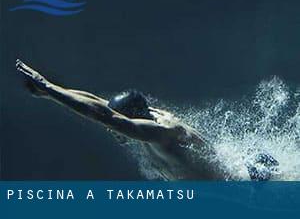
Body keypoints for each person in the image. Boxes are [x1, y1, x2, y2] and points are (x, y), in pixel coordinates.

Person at [15, 59, 277, 180]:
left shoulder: (161, 133)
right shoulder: (146, 118)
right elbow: (99, 105)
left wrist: (48, 88)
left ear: (132, 119)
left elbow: (105, 116)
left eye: (115, 125)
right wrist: (51, 92)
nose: (111, 130)